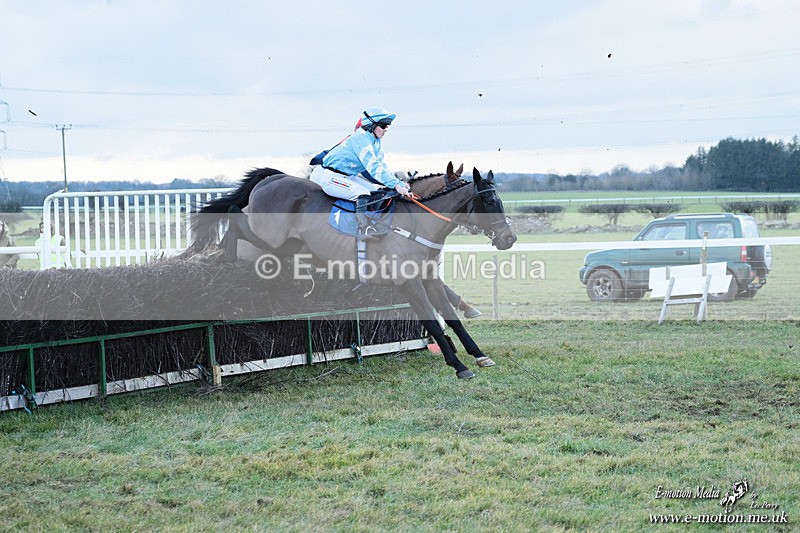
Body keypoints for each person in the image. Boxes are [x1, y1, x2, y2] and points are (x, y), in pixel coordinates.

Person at [310, 107, 414, 241]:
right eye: (383, 125)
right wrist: (395, 184)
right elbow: (374, 168)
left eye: (387, 126)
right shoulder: (360, 139)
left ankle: (376, 223)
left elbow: (382, 167)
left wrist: (398, 183)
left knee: (380, 191)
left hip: (347, 176)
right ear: (371, 125)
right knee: (362, 193)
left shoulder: (376, 142)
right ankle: (364, 229)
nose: (386, 129)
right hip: (328, 176)